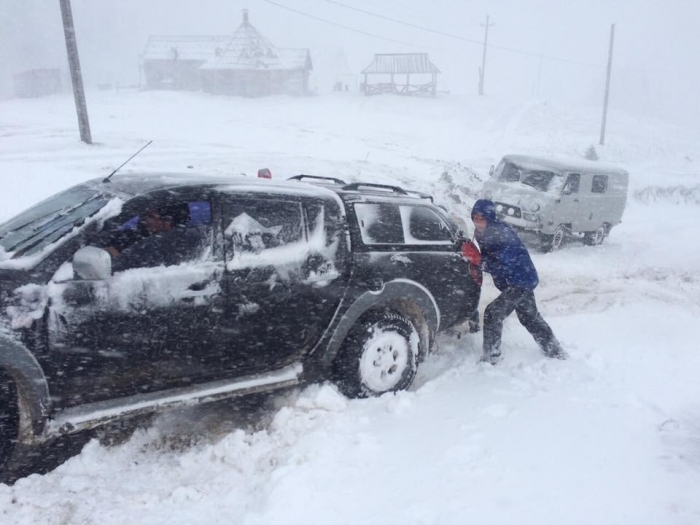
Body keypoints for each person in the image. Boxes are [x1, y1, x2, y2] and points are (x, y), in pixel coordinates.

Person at [465, 199, 566, 364]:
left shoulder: (502, 234)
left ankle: (491, 357)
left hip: (520, 281)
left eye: (481, 218)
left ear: (489, 217)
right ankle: (554, 350)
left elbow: (504, 265)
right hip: (514, 281)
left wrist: (479, 260)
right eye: (475, 218)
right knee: (529, 317)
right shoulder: (481, 232)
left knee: (492, 313)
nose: (478, 222)